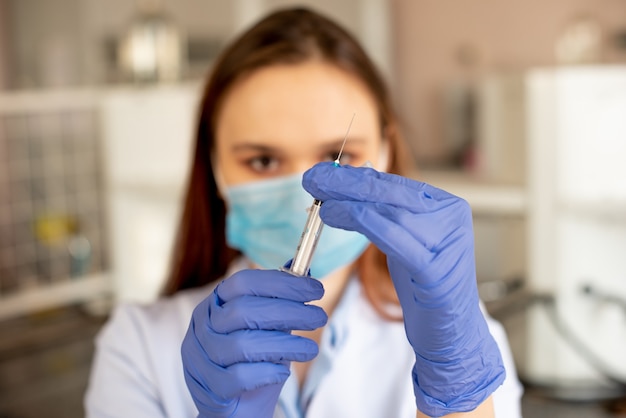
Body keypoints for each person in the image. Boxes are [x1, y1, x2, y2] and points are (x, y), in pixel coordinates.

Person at [85, 7, 523, 418]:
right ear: (213, 165)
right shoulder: (138, 346)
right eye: (262, 161)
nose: (302, 193)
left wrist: (457, 394)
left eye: (340, 156)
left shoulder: (459, 340)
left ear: (386, 154)